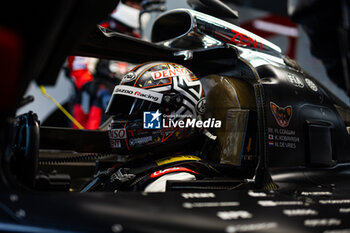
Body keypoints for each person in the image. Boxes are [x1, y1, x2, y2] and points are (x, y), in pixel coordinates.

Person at [81, 62, 221, 192]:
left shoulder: (167, 182)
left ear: (177, 113)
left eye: (137, 111)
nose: (122, 118)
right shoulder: (137, 166)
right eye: (123, 109)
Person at [67, 0, 151, 129]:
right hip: (97, 109)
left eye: (139, 4)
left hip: (131, 108)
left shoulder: (141, 41)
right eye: (134, 4)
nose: (138, 8)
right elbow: (79, 72)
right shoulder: (97, 36)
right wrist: (101, 92)